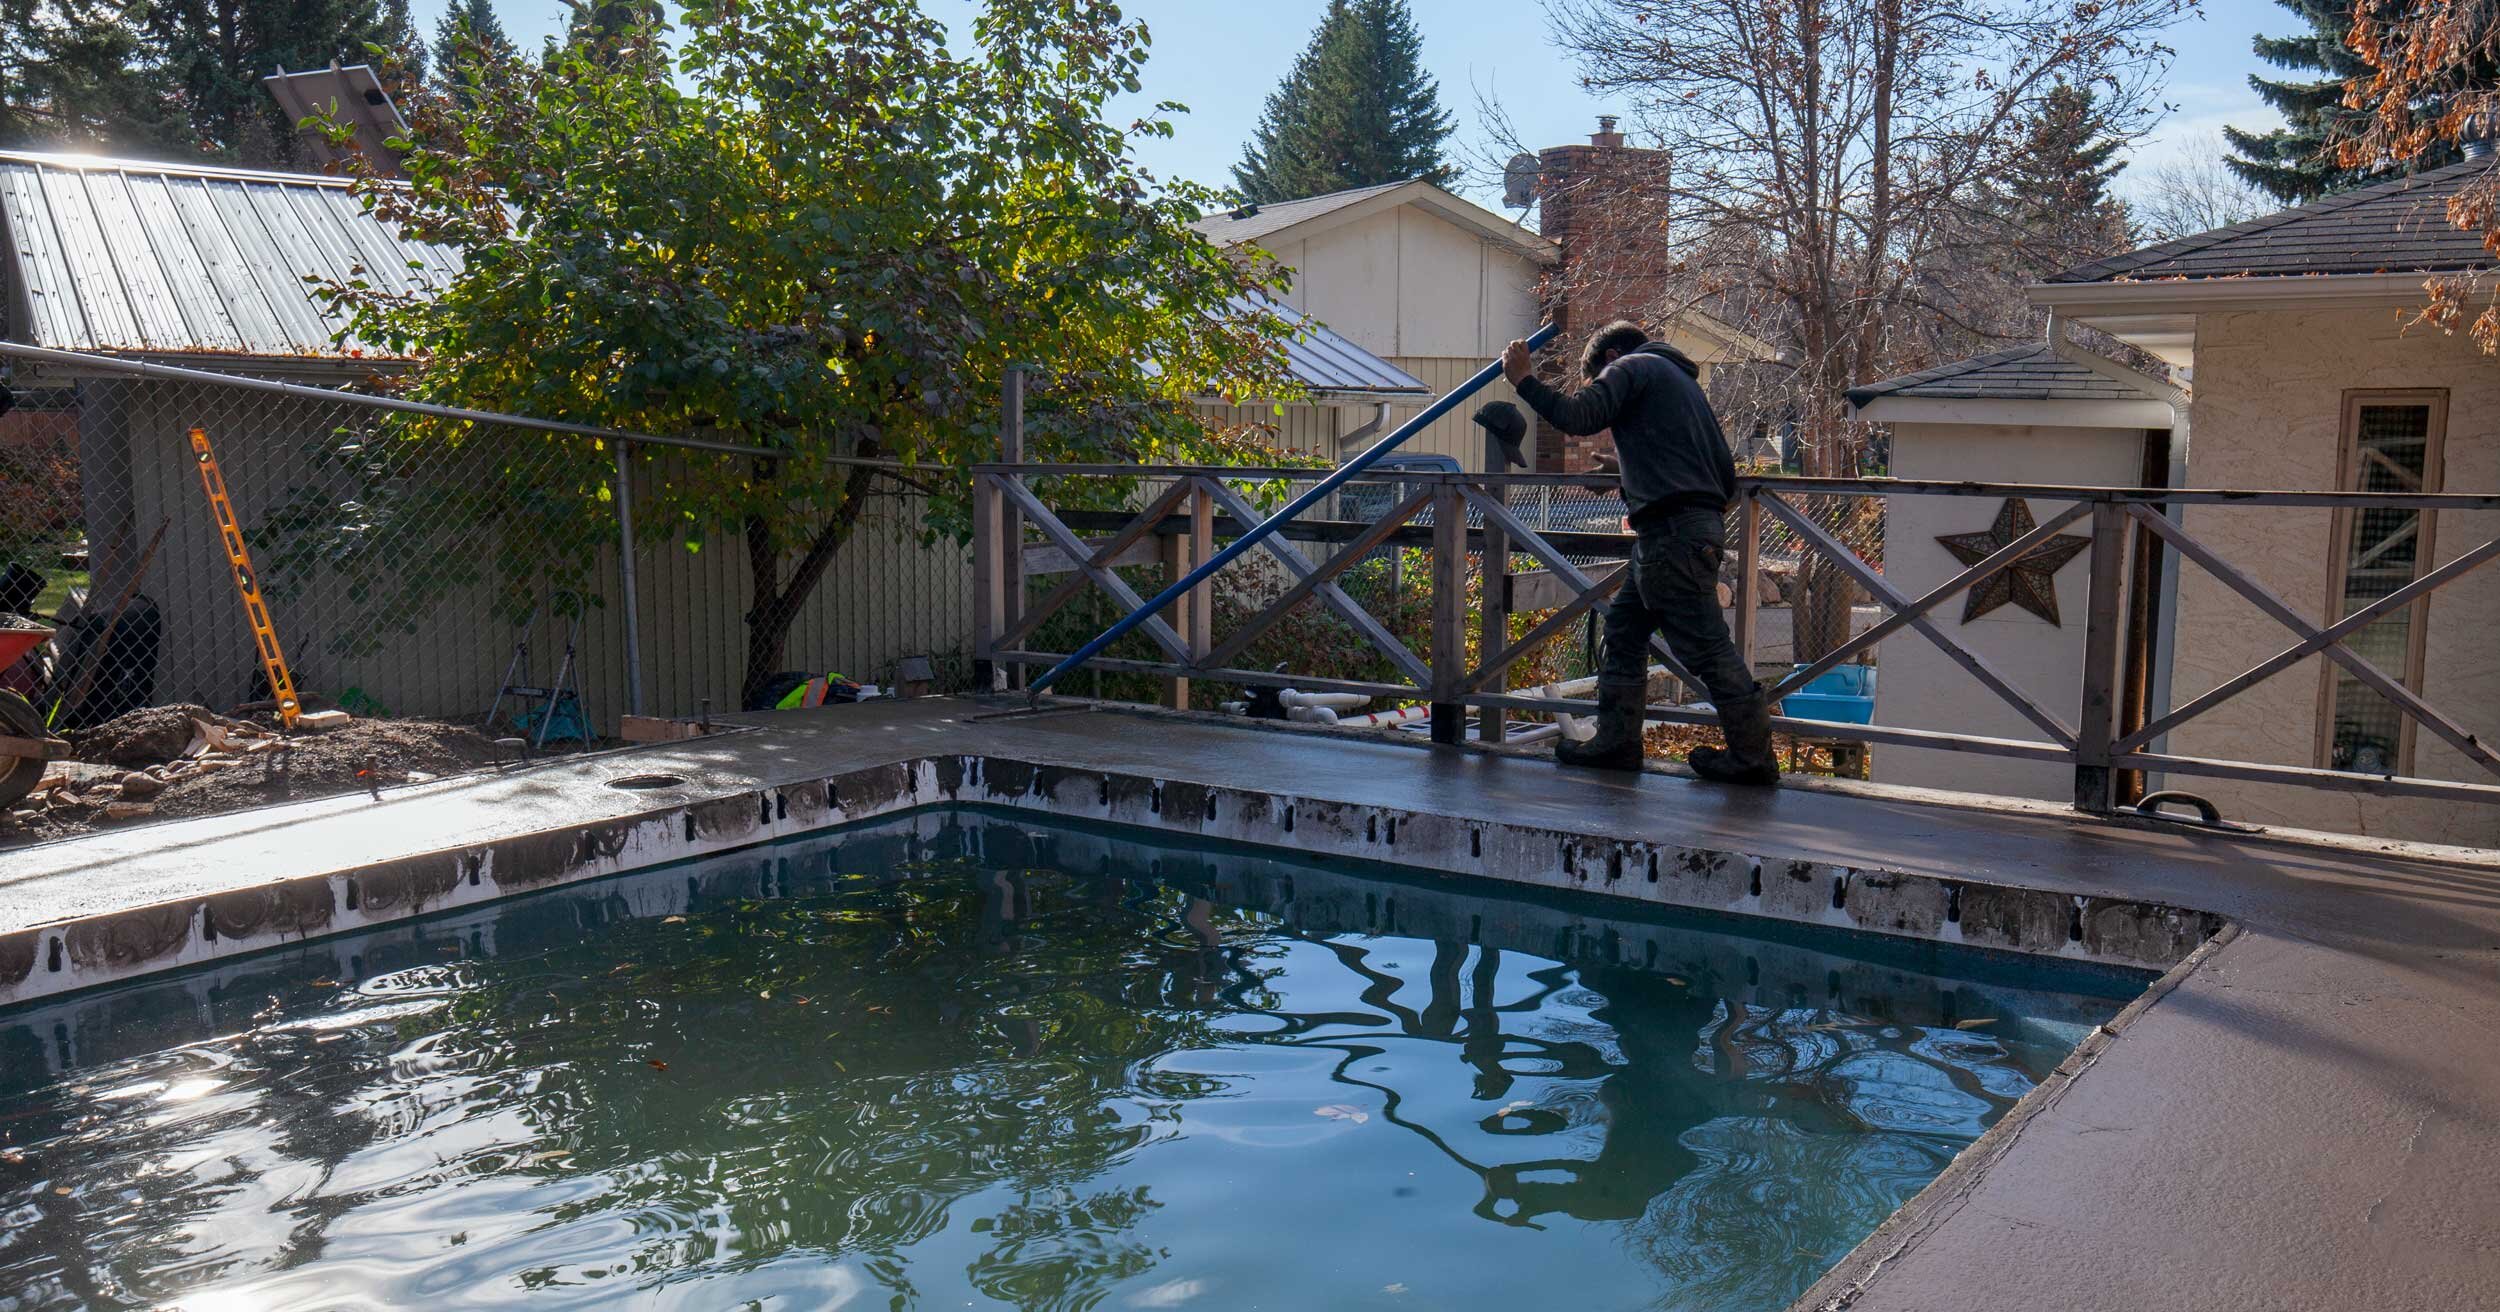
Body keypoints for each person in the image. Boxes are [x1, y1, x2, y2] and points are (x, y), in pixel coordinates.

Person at [1501, 321, 1776, 785]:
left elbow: (1578, 417)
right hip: (1684, 531)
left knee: (1706, 649)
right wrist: (1625, 467)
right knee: (1625, 631)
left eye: (1598, 383)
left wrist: (1522, 378)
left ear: (1609, 359)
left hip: (1671, 535)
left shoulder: (1631, 365)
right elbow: (1719, 475)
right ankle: (1618, 742)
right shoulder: (1680, 381)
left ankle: (1753, 758)